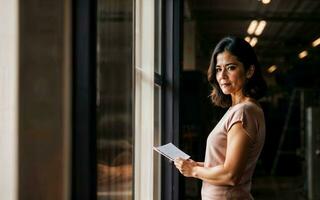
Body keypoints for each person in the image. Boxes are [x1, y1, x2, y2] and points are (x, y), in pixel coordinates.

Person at [174, 36, 267, 199]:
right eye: (218, 69)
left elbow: (231, 175)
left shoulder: (244, 112)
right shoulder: (238, 109)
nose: (222, 76)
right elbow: (224, 165)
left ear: (249, 71)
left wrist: (194, 171)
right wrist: (196, 165)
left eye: (231, 68)